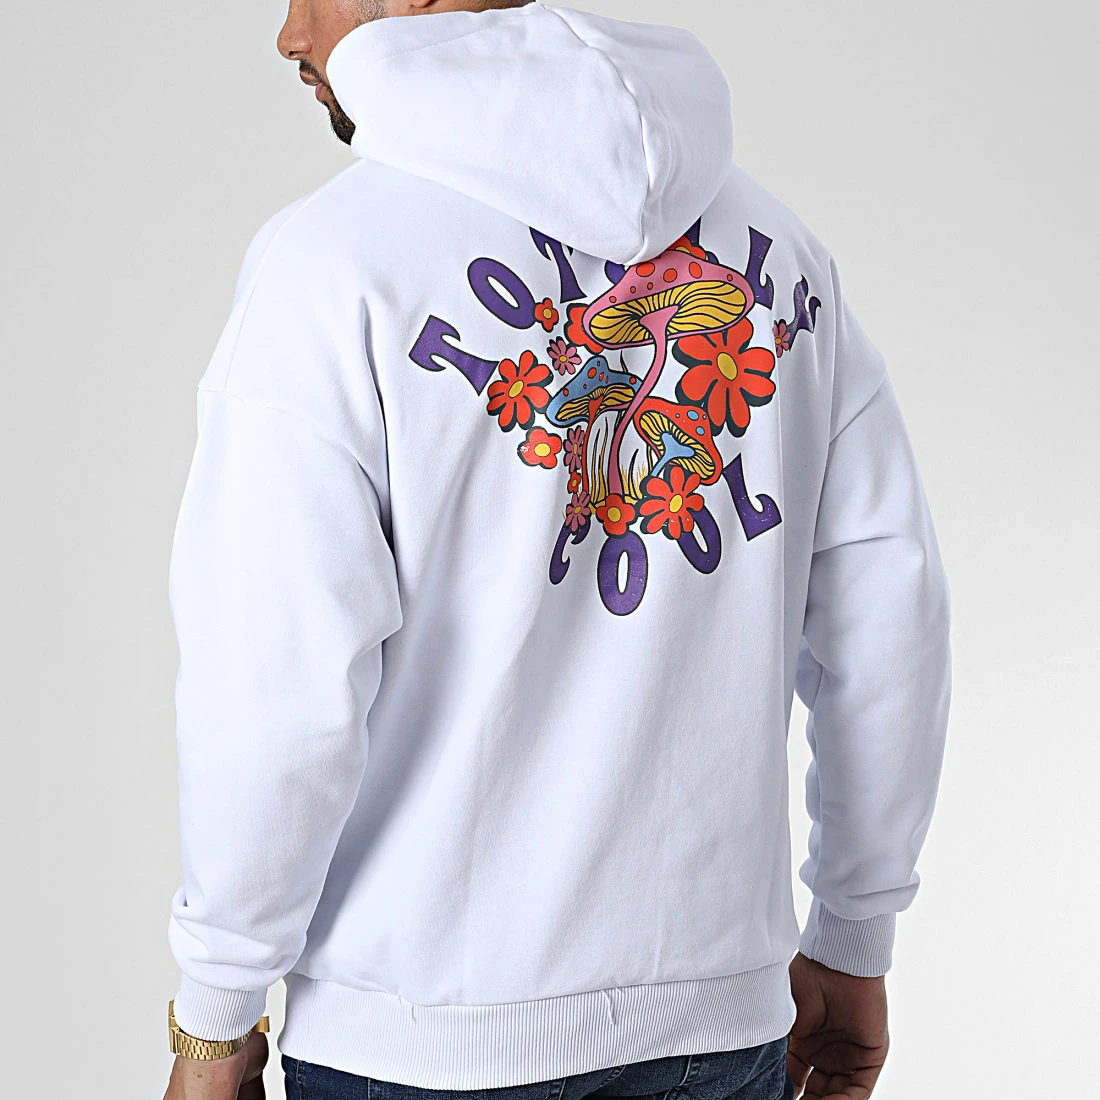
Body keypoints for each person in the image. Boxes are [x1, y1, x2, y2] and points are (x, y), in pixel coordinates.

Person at [161, 1, 952, 1098]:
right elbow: (888, 618)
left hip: (420, 1036)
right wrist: (854, 933)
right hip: (716, 1024)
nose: (290, 34)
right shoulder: (783, 260)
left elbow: (275, 682)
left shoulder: (329, 265)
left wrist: (214, 1012)